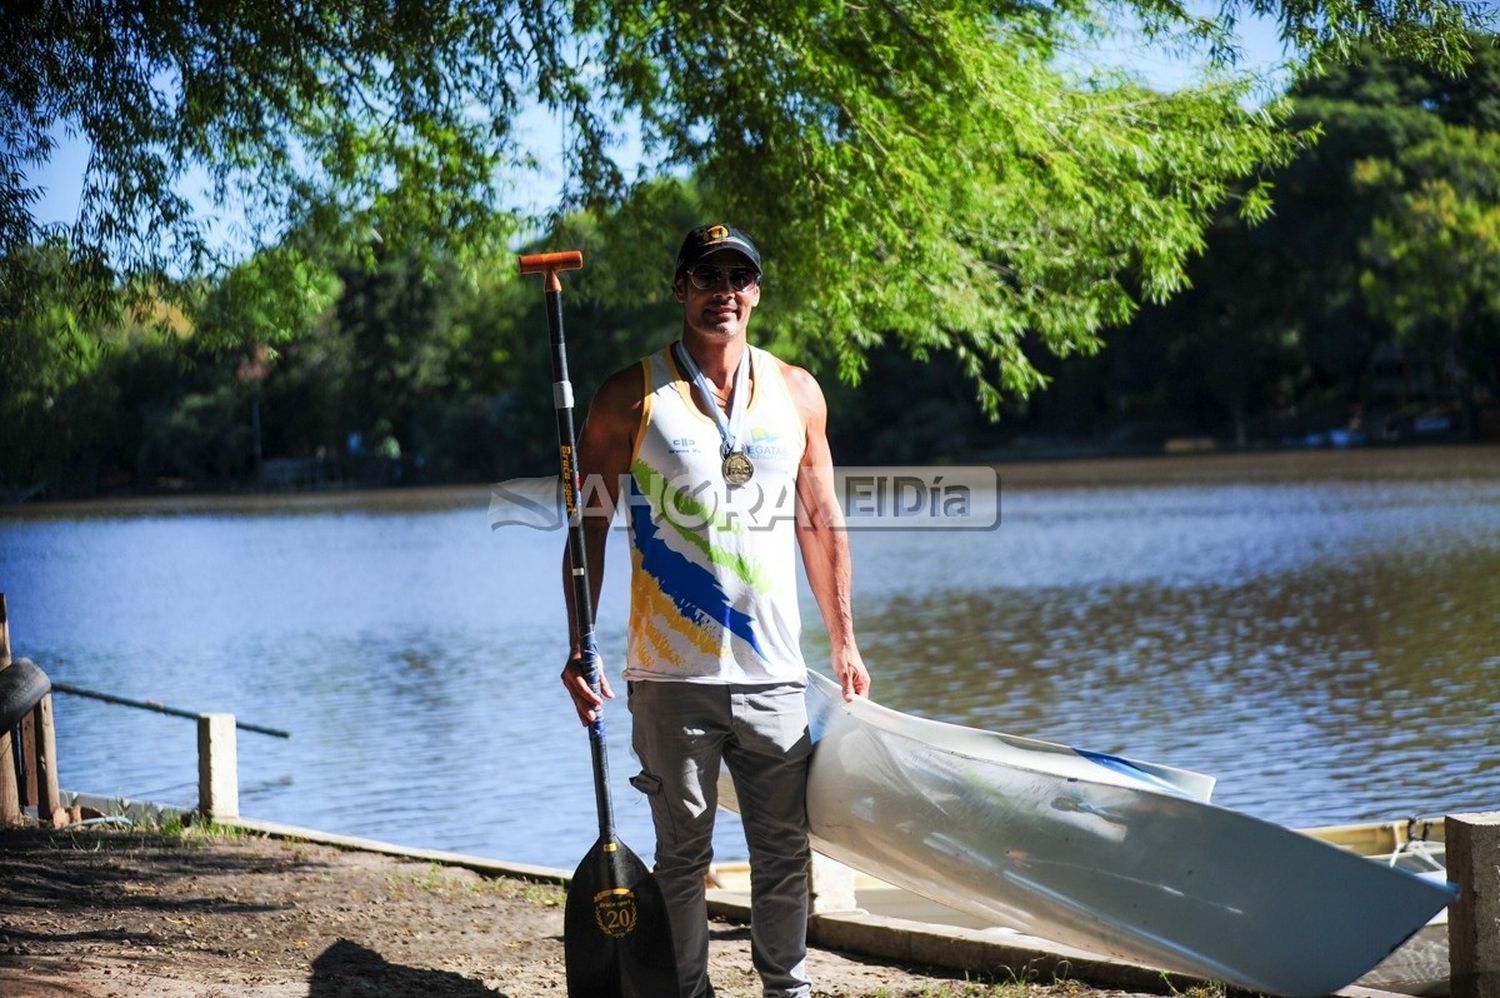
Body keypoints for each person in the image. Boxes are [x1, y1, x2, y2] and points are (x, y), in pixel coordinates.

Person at [561, 222, 871, 998]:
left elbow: (821, 520)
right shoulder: (628, 396)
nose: (723, 293)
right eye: (707, 277)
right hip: (670, 677)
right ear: (681, 290)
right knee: (681, 859)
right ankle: (686, 993)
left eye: (738, 278)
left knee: (783, 852)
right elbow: (587, 528)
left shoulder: (797, 391)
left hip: (773, 673)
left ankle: (785, 989)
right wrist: (578, 645)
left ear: (756, 292)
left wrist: (845, 641)